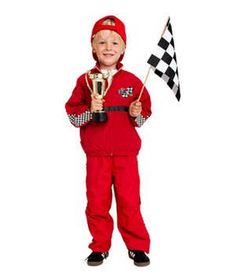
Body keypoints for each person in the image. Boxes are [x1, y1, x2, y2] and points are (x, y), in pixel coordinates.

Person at [65, 15, 152, 267]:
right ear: (93, 47)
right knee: (97, 201)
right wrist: (90, 109)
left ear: (124, 47)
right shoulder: (85, 81)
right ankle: (100, 246)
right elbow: (74, 117)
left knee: (129, 201)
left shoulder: (133, 82)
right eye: (102, 42)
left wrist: (137, 113)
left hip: (126, 156)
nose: (108, 48)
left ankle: (137, 246)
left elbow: (144, 115)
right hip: (97, 156)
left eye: (115, 43)